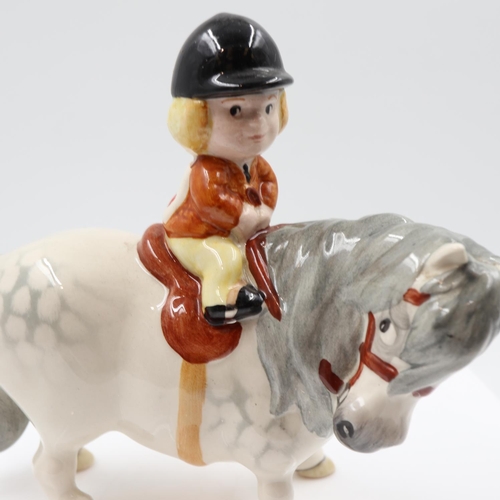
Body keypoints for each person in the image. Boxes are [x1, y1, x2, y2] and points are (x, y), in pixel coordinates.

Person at [164, 13, 293, 326]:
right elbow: (214, 203)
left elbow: (269, 186)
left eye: (268, 107)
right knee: (225, 258)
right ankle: (219, 304)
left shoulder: (257, 165)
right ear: (197, 117)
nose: (258, 124)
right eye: (236, 110)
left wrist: (263, 208)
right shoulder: (207, 171)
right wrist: (247, 215)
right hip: (195, 235)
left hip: (238, 231)